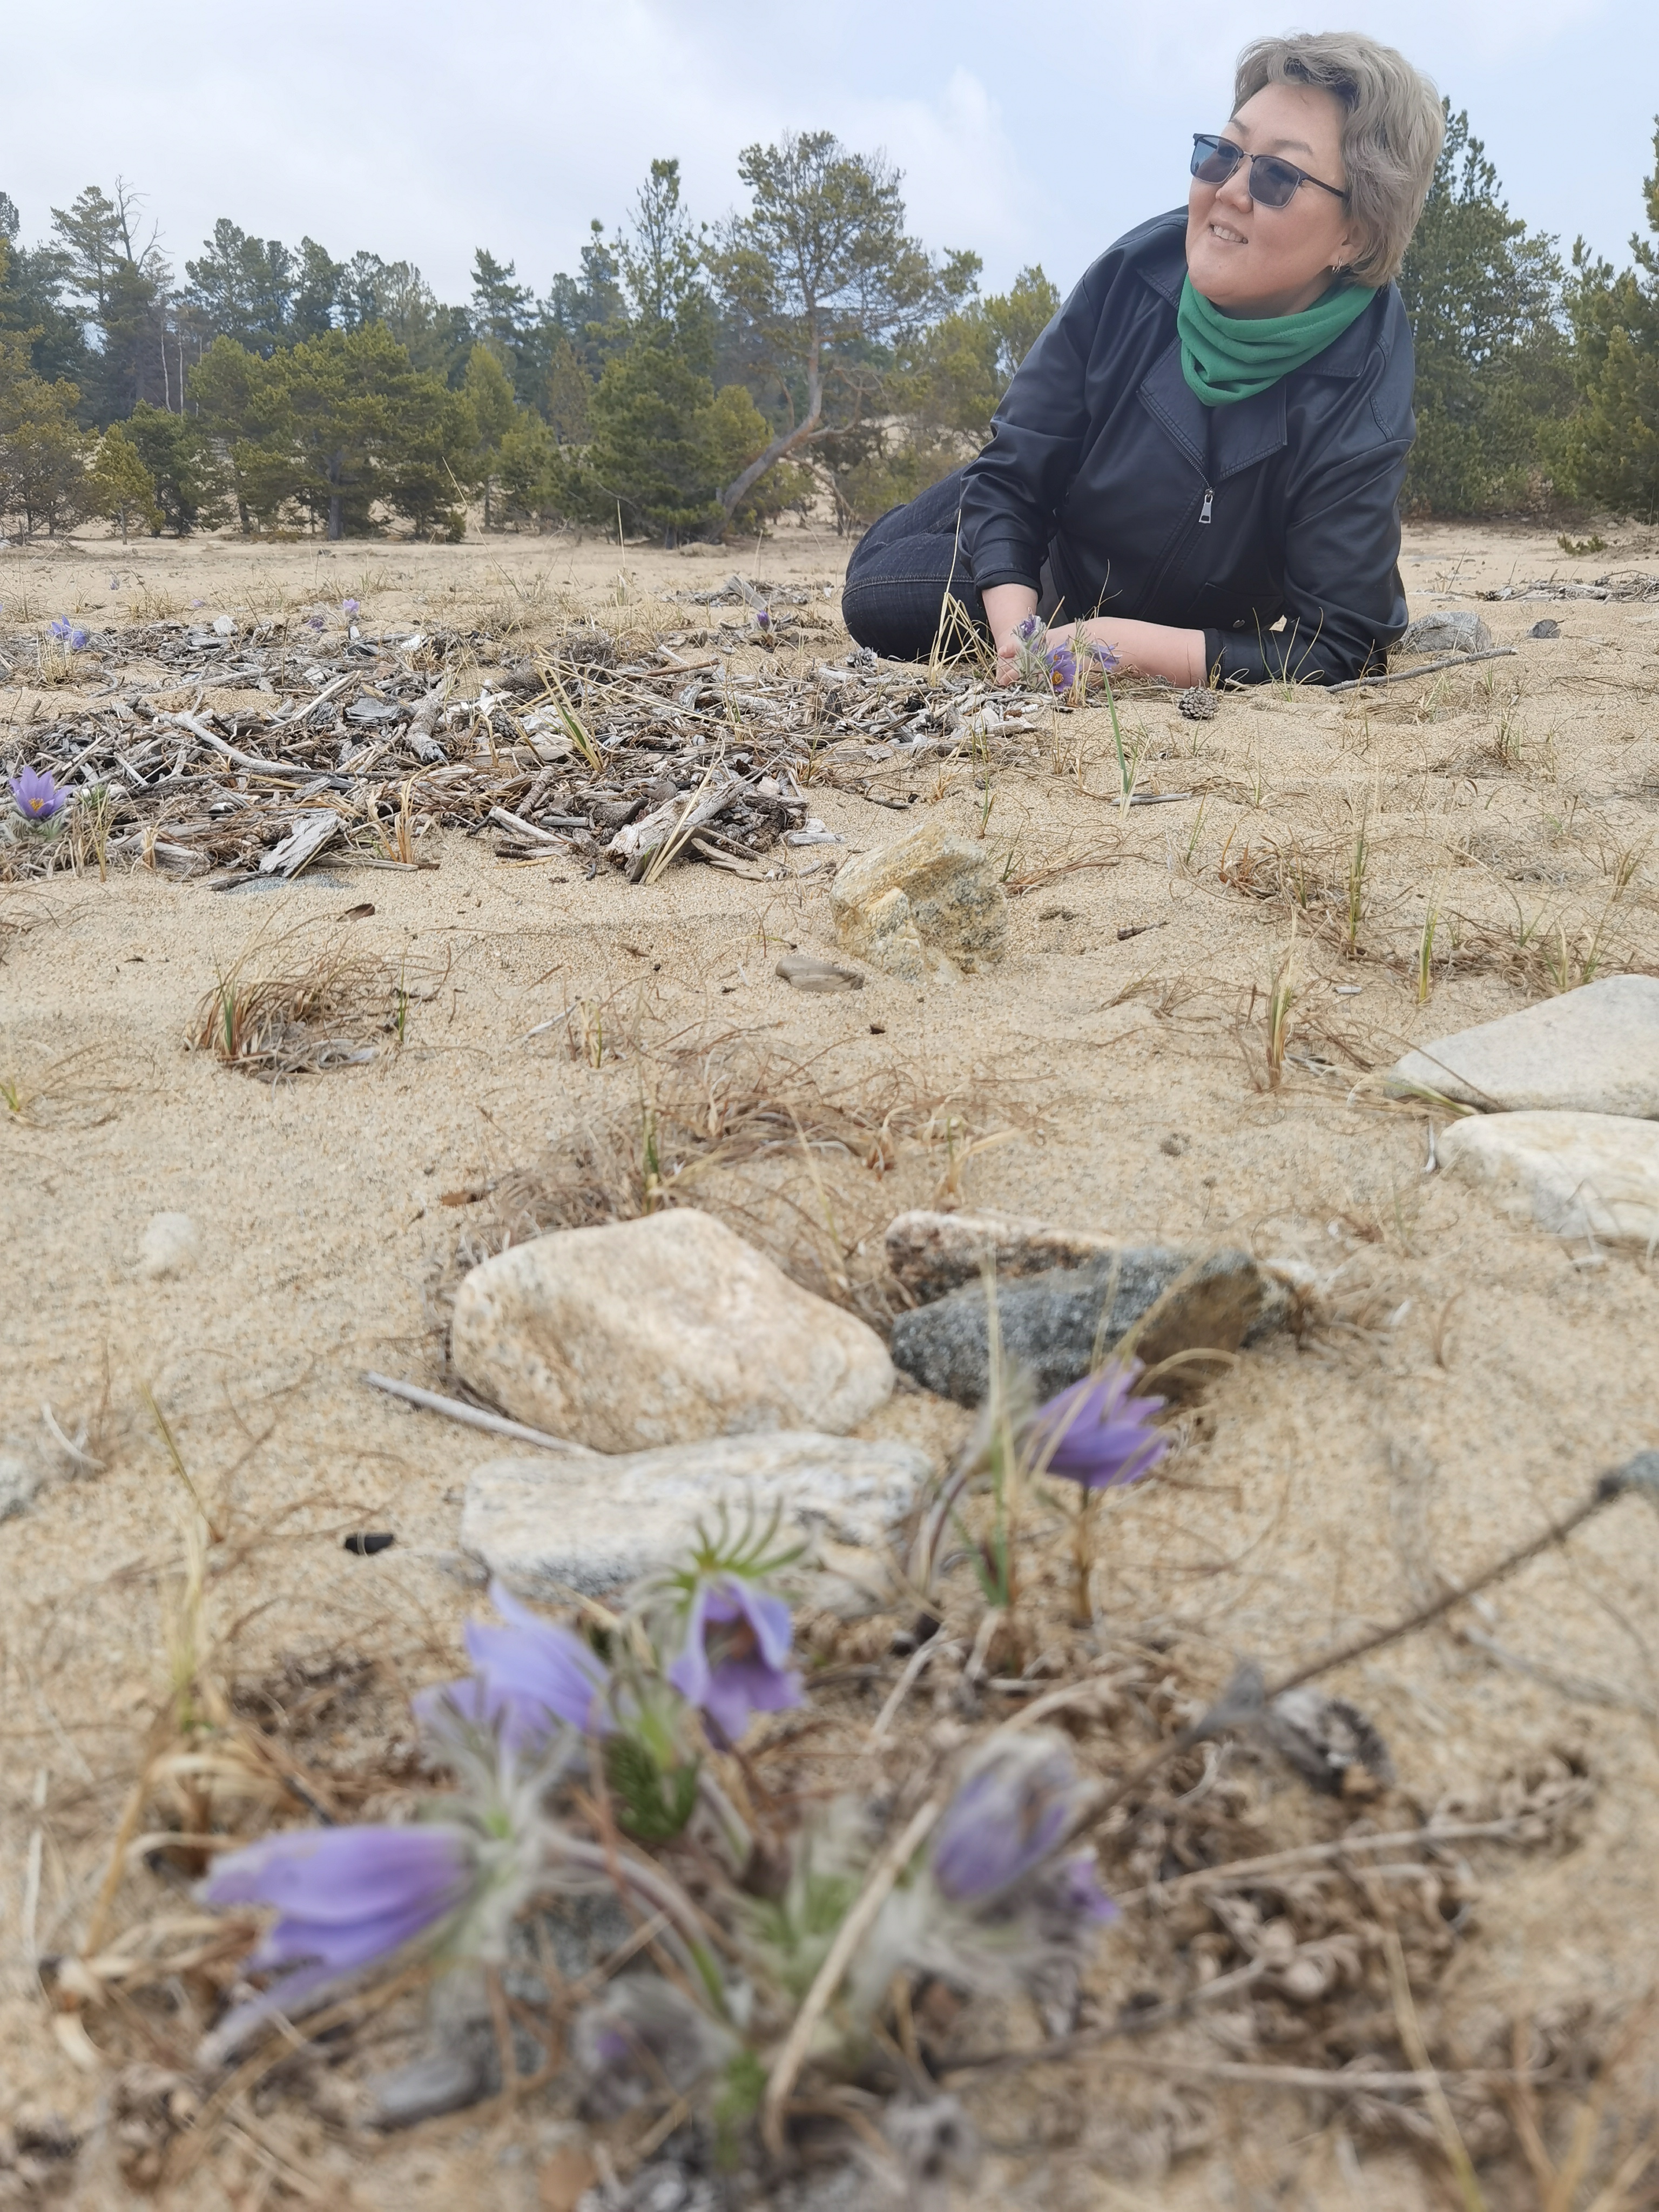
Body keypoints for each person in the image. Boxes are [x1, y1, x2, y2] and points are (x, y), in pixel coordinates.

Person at [841, 32, 1445, 691]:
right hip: (1058, 551)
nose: (1230, 192)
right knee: (874, 588)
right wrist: (1021, 642)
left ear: (1354, 233)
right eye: (1221, 155)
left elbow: (1345, 645)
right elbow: (1019, 476)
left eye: (1278, 177)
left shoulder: (1367, 378)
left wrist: (1122, 646)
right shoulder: (1135, 272)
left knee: (885, 586)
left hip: (1120, 609)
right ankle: (966, 500)